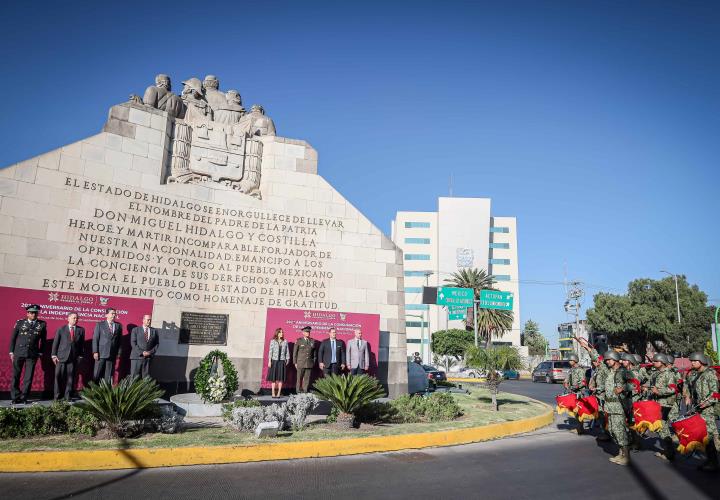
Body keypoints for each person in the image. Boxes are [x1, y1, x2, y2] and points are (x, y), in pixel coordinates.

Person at [686, 352, 720, 471]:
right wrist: (689, 397)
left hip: (707, 410)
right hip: (698, 409)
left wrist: (705, 403)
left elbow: (715, 394)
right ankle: (710, 460)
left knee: (709, 437)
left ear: (701, 361)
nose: (692, 363)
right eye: (692, 361)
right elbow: (690, 388)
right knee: (704, 437)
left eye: (695, 361)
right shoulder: (695, 374)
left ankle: (714, 463)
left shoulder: (710, 374)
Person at [8, 304, 47, 404]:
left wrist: (40, 352)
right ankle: (15, 397)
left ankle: (24, 397)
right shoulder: (20, 323)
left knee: (28, 377)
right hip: (19, 352)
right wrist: (11, 351)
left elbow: (43, 340)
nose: (34, 314)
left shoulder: (42, 324)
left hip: (32, 354)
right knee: (16, 375)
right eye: (32, 313)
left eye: (35, 313)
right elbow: (13, 338)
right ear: (28, 313)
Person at [602, 350, 631, 465]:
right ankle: (621, 453)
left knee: (620, 431)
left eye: (608, 360)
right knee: (613, 431)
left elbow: (635, 384)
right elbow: (597, 361)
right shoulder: (609, 372)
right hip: (610, 406)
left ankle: (626, 456)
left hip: (619, 405)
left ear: (614, 359)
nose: (607, 362)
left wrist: (623, 388)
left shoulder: (623, 372)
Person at [648, 353, 677, 461]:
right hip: (657, 404)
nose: (653, 363)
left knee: (663, 428)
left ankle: (669, 452)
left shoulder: (669, 374)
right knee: (660, 429)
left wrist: (659, 391)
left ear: (662, 362)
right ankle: (668, 450)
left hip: (666, 405)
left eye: (656, 361)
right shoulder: (655, 374)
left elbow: (673, 389)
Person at [51, 311, 85, 400]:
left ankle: (67, 396)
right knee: (58, 377)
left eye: (77, 318)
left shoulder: (81, 330)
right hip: (61, 357)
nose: (76, 319)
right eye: (74, 318)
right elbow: (56, 343)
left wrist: (80, 355)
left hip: (73, 358)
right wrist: (54, 355)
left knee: (70, 378)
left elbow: (81, 344)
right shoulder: (61, 329)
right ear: (68, 318)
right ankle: (57, 397)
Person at [92, 308, 122, 384]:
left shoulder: (118, 326)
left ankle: (105, 392)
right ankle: (94, 392)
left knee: (108, 375)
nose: (114, 315)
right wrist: (95, 351)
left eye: (115, 313)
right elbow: (95, 338)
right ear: (106, 315)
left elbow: (119, 341)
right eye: (112, 313)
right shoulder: (100, 324)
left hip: (112, 354)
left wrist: (118, 353)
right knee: (97, 374)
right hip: (101, 353)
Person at [563, 352, 587, 434]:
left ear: (575, 360)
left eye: (571, 360)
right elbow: (567, 379)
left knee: (579, 411)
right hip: (572, 392)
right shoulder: (571, 370)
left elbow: (583, 382)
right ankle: (579, 427)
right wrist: (565, 383)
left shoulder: (580, 370)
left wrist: (577, 386)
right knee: (575, 411)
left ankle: (580, 429)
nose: (569, 361)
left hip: (579, 393)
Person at [130, 314, 159, 379]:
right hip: (136, 357)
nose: (149, 321)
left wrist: (150, 352)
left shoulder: (154, 331)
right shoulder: (136, 330)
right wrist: (142, 352)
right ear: (143, 320)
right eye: (148, 320)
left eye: (150, 320)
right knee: (134, 377)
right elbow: (133, 343)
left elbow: (157, 344)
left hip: (148, 358)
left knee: (146, 379)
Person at [266, 328, 289, 398]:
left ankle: (279, 392)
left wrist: (287, 360)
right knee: (273, 378)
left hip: (282, 361)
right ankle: (273, 392)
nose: (282, 333)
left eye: (282, 332)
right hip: (274, 361)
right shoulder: (272, 341)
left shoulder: (285, 341)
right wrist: (269, 361)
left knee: (280, 378)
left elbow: (287, 351)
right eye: (280, 332)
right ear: (277, 333)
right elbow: (270, 351)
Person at [293, 326, 316, 393]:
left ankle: (305, 390)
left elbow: (314, 353)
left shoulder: (312, 341)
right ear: (303, 333)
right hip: (300, 363)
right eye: (306, 332)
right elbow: (295, 352)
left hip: (309, 363)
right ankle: (298, 390)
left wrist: (313, 361)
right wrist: (295, 362)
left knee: (307, 378)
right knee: (299, 378)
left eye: (309, 332)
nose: (308, 333)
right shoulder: (299, 341)